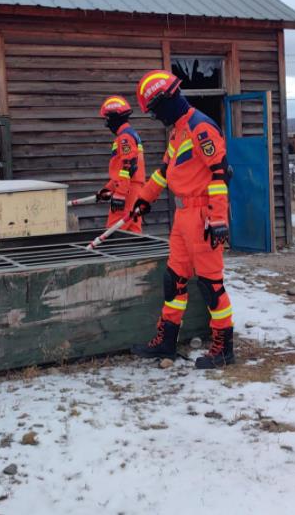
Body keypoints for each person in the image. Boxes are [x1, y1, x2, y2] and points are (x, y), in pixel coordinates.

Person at [128, 70, 234, 369]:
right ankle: (166, 341)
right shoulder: (178, 131)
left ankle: (223, 347)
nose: (156, 118)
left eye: (156, 111)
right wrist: (143, 200)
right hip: (183, 216)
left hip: (202, 217)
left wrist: (217, 219)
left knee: (211, 285)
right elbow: (164, 172)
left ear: (169, 100)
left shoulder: (202, 128)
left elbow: (220, 174)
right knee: (173, 280)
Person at [96, 96, 145, 234]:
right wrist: (108, 189)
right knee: (132, 230)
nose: (107, 124)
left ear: (114, 118)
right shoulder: (130, 134)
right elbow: (122, 171)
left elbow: (128, 166)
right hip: (133, 188)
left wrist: (120, 194)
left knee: (113, 230)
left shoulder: (124, 137)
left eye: (108, 119)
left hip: (127, 189)